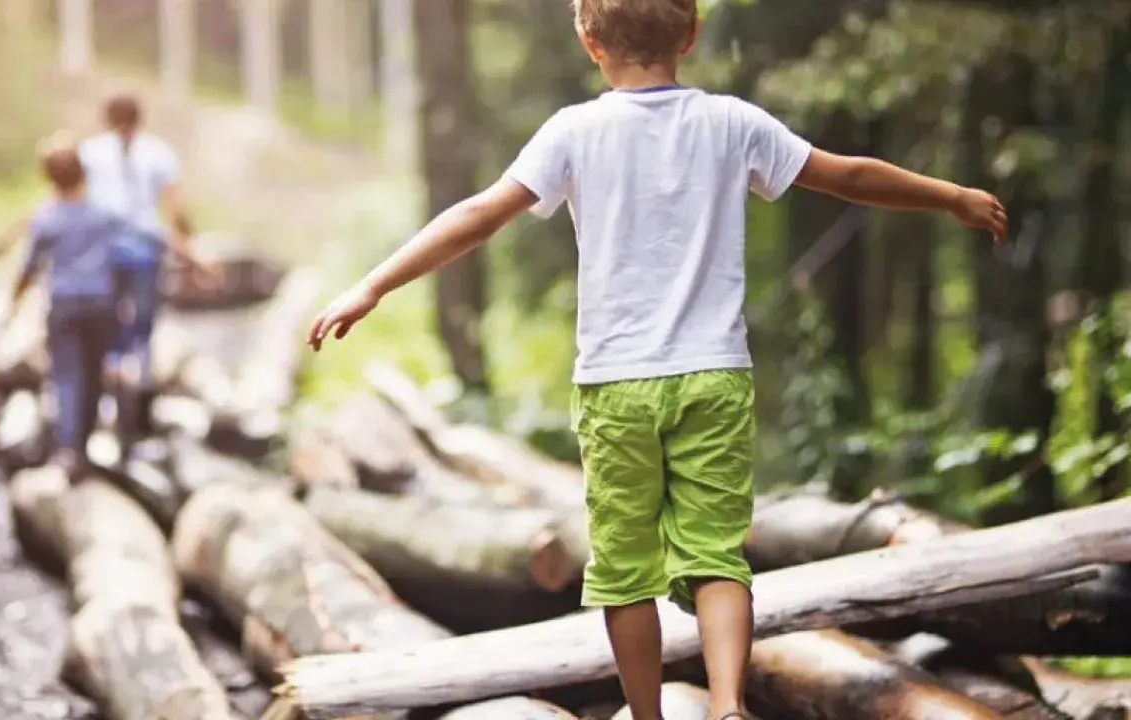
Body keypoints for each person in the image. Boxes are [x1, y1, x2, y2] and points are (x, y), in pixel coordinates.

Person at [307, 1, 1008, 718]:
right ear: (692, 34)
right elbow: (849, 175)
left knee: (624, 572)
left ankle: (647, 715)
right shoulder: (733, 122)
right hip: (712, 377)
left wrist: (372, 285)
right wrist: (951, 196)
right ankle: (729, 703)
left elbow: (478, 216)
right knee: (715, 556)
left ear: (588, 40)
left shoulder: (574, 132)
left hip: (616, 387)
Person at [0, 92, 210, 457]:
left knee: (76, 365)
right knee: (129, 340)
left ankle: (80, 437)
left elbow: (42, 224)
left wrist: (7, 251)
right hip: (121, 270)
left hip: (85, 280)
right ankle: (129, 402)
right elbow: (168, 216)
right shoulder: (147, 164)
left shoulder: (84, 164)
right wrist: (194, 253)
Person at [7, 133, 125, 478]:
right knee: (93, 376)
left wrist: (13, 302)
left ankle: (70, 449)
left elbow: (29, 268)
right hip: (101, 304)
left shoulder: (46, 217)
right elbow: (124, 256)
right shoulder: (104, 214)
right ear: (83, 173)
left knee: (67, 376)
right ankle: (84, 447)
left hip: (64, 305)